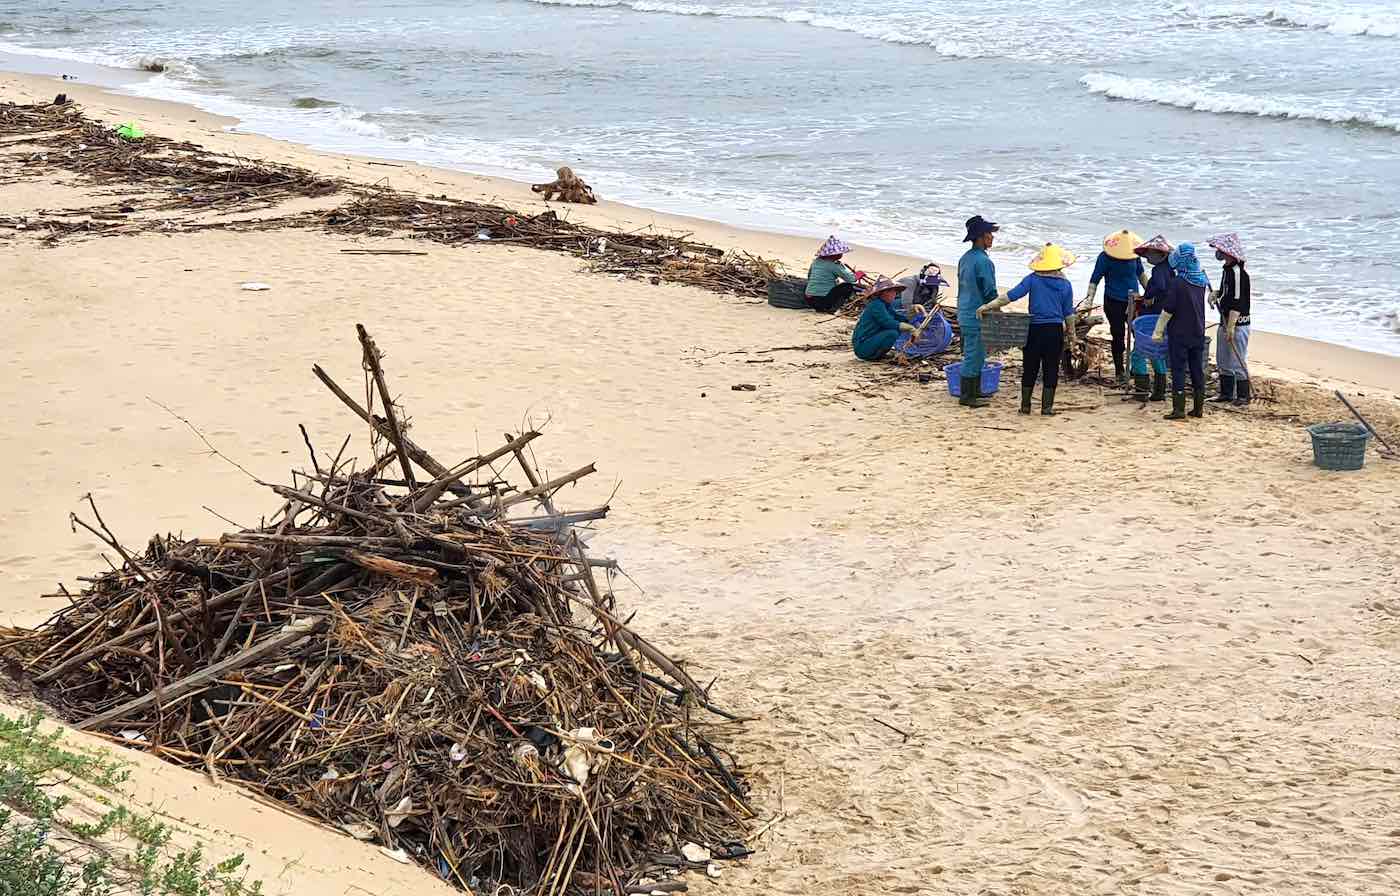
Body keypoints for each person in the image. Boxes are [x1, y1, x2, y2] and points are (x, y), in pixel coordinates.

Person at [1005, 243, 1078, 416]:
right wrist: (1072, 336)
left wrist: (987, 306)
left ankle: (1025, 406)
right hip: (1054, 332)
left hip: (1033, 330)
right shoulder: (1065, 284)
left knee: (1030, 367)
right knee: (1051, 368)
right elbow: (1068, 313)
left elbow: (1011, 295)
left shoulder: (1032, 278)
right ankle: (1046, 408)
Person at [1151, 243, 1210, 421]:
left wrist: (1158, 331)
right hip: (1198, 331)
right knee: (1196, 369)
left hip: (1180, 334)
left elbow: (1168, 310)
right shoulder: (1201, 280)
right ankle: (1198, 408)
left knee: (1178, 369)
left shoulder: (1178, 282)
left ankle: (1179, 409)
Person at [1087, 229, 1146, 386]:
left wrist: (1151, 294)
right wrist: (1089, 300)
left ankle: (1135, 367)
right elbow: (1095, 279)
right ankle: (1119, 370)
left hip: (1134, 301)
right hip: (1113, 301)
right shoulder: (1105, 257)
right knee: (1118, 335)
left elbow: (1141, 275)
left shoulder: (1135, 256)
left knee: (1138, 334)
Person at [956, 215, 1001, 408]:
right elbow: (989, 291)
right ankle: (967, 396)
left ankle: (975, 391)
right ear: (981, 237)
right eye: (989, 234)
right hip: (977, 314)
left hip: (965, 311)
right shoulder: (983, 261)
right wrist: (998, 310)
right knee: (974, 355)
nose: (992, 237)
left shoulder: (965, 258)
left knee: (976, 353)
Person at [1207, 233, 1252, 406]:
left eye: (1220, 250)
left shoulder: (1238, 273)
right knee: (1223, 360)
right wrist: (1215, 294)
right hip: (1224, 320)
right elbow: (1227, 293)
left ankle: (1243, 395)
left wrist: (1231, 326)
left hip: (1237, 323)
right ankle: (1226, 393)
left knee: (1237, 360)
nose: (1218, 252)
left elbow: (1238, 302)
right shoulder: (1226, 271)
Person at [1130, 235, 1173, 402]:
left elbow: (1160, 287)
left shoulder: (1159, 270)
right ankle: (1159, 392)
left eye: (1151, 253)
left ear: (1162, 255)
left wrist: (1149, 297)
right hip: (1163, 315)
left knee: (1139, 353)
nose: (1148, 257)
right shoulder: (1171, 270)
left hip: (1153, 316)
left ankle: (1141, 392)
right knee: (1157, 353)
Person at [851, 278, 921, 361]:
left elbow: (898, 317)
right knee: (892, 333)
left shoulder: (886, 305)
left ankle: (878, 355)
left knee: (895, 331)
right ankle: (872, 357)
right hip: (862, 347)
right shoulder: (876, 305)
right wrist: (910, 328)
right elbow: (887, 322)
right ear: (883, 293)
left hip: (869, 343)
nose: (895, 294)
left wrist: (912, 312)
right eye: (892, 291)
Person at [805, 236, 864, 312]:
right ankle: (833, 308)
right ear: (834, 254)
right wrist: (859, 274)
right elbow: (851, 279)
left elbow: (809, 276)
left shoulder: (816, 261)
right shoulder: (834, 265)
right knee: (847, 286)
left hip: (809, 299)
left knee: (837, 286)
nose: (842, 254)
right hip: (822, 301)